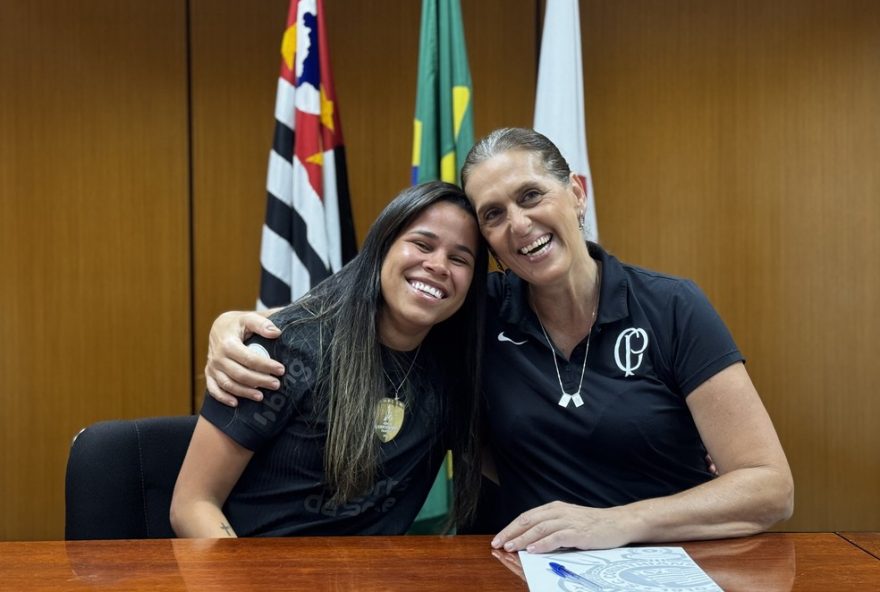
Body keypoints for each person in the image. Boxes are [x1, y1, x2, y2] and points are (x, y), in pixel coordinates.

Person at [201, 128, 794, 552]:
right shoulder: (475, 312)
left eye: (532, 196)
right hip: (521, 564)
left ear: (577, 192)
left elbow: (770, 489)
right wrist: (234, 325)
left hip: (670, 562)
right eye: (493, 214)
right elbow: (359, 311)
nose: (519, 225)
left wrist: (615, 523)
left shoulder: (672, 306)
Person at [170, 181, 487, 538]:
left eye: (459, 259)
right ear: (383, 247)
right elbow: (193, 504)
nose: (438, 265)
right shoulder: (286, 348)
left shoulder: (455, 369)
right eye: (422, 244)